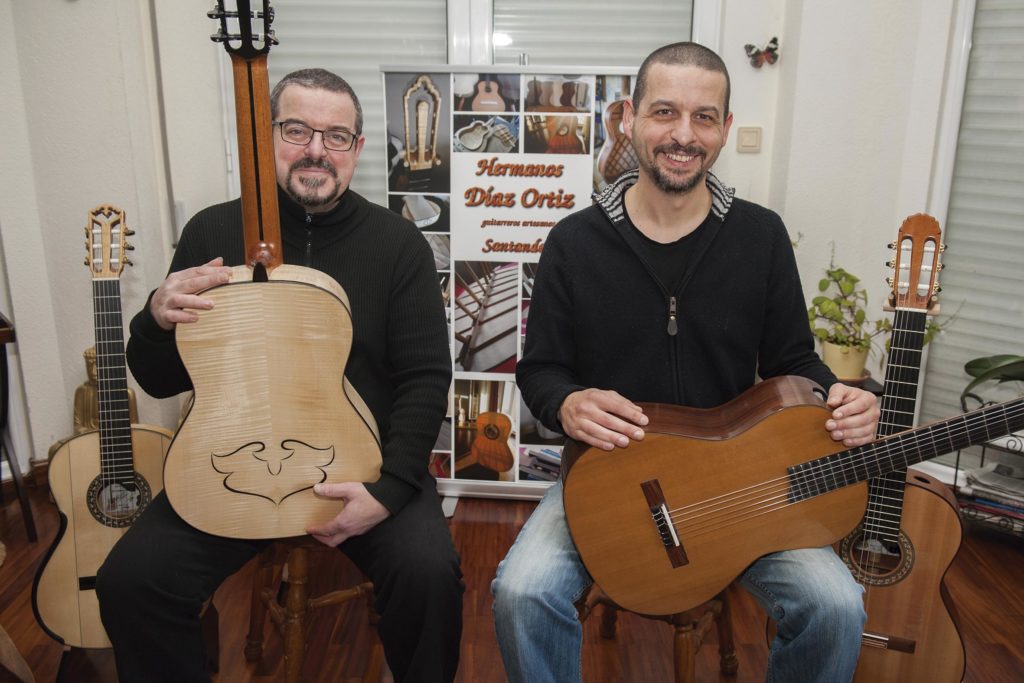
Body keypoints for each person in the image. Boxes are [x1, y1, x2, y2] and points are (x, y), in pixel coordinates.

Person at [492, 42, 879, 683]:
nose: (682, 135)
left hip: (742, 487)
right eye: (665, 112)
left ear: (725, 129)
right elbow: (539, 371)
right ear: (628, 118)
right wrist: (566, 402)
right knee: (520, 593)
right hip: (608, 481)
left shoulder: (760, 237)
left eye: (704, 117)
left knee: (837, 606)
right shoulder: (573, 243)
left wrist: (840, 395)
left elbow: (793, 360)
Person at [96, 68, 463, 682]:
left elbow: (426, 378)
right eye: (297, 130)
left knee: (430, 576)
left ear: (358, 150)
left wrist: (389, 491)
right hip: (227, 469)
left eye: (336, 136)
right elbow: (159, 381)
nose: (316, 149)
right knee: (131, 581)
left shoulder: (399, 245)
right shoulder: (211, 232)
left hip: (361, 468)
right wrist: (155, 319)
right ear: (266, 139)